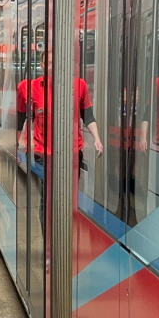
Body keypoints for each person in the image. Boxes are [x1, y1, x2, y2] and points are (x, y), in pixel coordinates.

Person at [17, 42, 103, 230]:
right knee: (47, 198)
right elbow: (21, 116)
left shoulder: (79, 86)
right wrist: (19, 142)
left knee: (69, 198)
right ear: (41, 65)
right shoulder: (30, 88)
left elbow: (87, 114)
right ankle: (49, 242)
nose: (52, 67)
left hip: (72, 153)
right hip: (43, 154)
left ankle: (65, 238)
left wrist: (97, 138)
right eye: (48, 63)